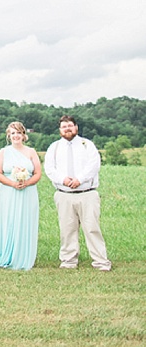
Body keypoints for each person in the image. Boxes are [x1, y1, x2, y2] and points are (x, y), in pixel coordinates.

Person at [44, 115, 111, 271]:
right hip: (64, 194)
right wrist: (63, 179)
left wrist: (79, 179)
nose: (67, 129)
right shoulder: (54, 147)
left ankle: (101, 262)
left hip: (87, 193)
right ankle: (68, 260)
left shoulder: (87, 145)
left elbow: (94, 165)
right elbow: (50, 168)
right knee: (67, 229)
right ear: (60, 130)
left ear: (76, 127)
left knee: (92, 228)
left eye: (70, 126)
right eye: (64, 126)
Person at [0, 121, 41, 270]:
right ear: (9, 135)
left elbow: (38, 173)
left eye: (18, 133)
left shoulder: (31, 152)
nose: (16, 136)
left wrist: (26, 183)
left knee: (25, 221)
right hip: (8, 192)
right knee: (9, 222)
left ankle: (24, 257)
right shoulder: (3, 152)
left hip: (27, 192)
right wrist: (12, 183)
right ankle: (7, 256)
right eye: (13, 133)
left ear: (23, 135)